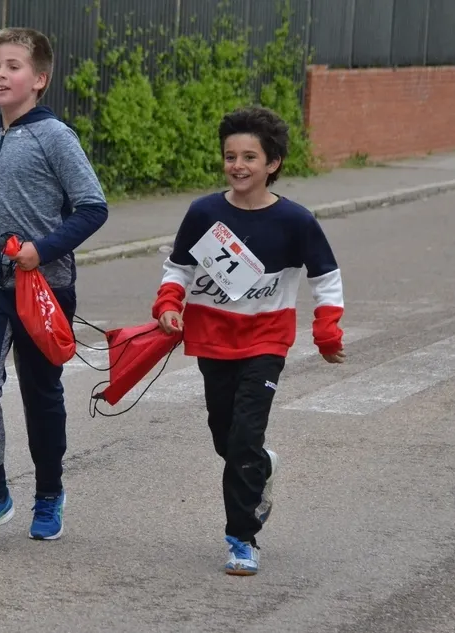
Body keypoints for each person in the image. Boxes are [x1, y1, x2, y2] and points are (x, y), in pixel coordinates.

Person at [151, 106, 345, 575]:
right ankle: (262, 465)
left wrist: (327, 330)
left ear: (273, 163)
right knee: (227, 437)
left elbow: (326, 276)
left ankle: (242, 538)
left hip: (265, 342)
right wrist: (169, 303)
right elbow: (178, 267)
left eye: (249, 157)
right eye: (230, 156)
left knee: (242, 439)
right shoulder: (205, 213)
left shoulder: (295, 221)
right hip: (213, 340)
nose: (237, 166)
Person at [0, 27, 108, 544]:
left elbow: (93, 208)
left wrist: (44, 250)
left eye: (12, 67)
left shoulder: (56, 137)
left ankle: (50, 494)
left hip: (44, 287)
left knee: (41, 393)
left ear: (39, 79)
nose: (0, 75)